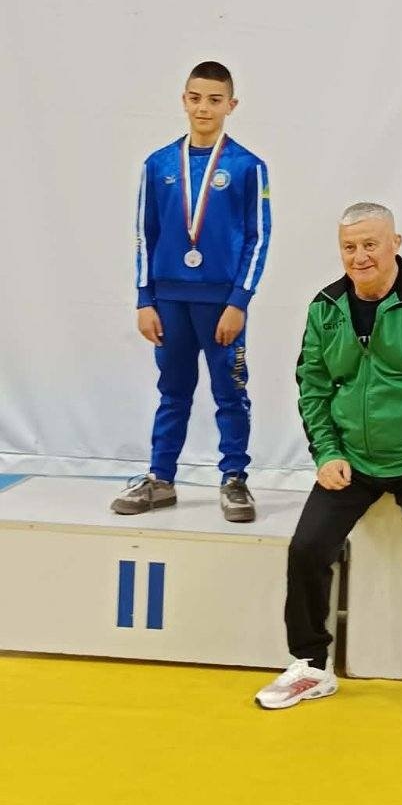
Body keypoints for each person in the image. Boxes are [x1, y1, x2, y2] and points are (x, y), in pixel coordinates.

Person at [255, 204, 402, 722]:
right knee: (307, 548)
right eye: (349, 247)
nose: (359, 256)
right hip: (352, 462)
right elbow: (313, 385)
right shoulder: (326, 307)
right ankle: (311, 665)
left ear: (395, 243)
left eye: (370, 244)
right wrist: (327, 452)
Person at [114, 60, 270, 523]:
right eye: (196, 98)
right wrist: (145, 299)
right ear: (183, 100)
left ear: (231, 105)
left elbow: (259, 237)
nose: (204, 107)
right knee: (173, 392)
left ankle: (234, 478)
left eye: (215, 100)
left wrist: (239, 302)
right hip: (169, 302)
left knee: (230, 392)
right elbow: (145, 235)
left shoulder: (247, 166)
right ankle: (160, 478)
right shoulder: (159, 164)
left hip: (221, 303)